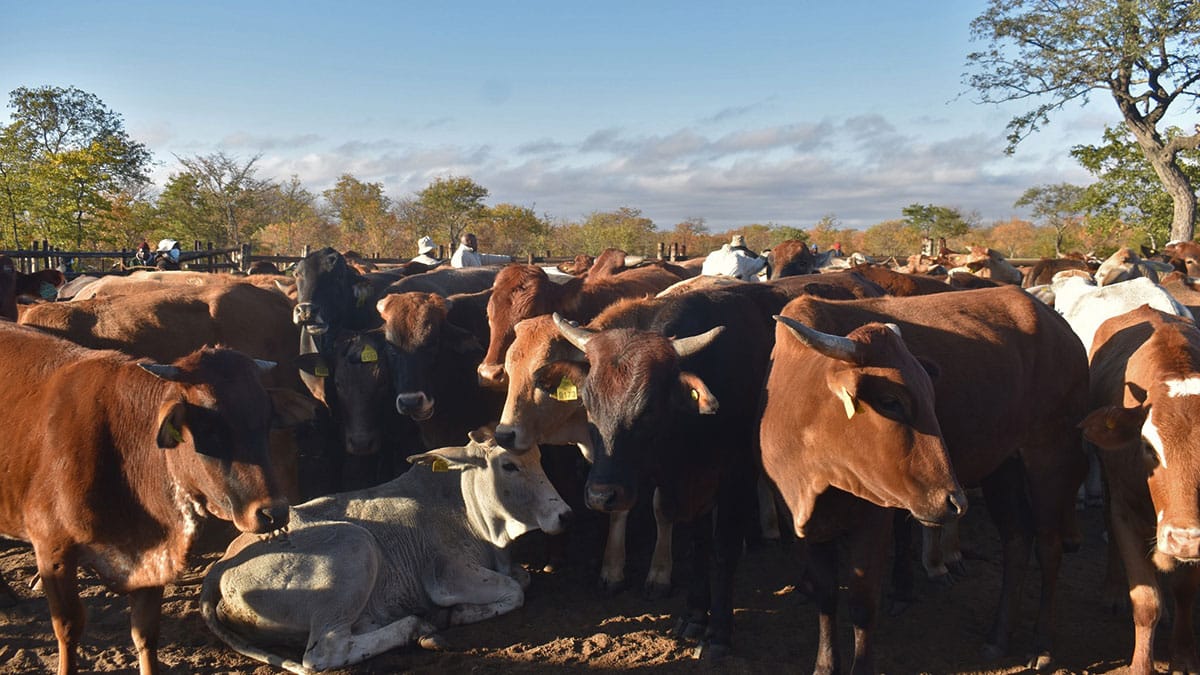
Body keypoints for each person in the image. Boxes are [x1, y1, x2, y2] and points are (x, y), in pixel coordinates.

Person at [701, 234, 767, 281]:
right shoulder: (740, 255)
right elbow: (756, 266)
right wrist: (764, 255)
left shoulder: (712, 255)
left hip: (707, 282)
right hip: (734, 285)